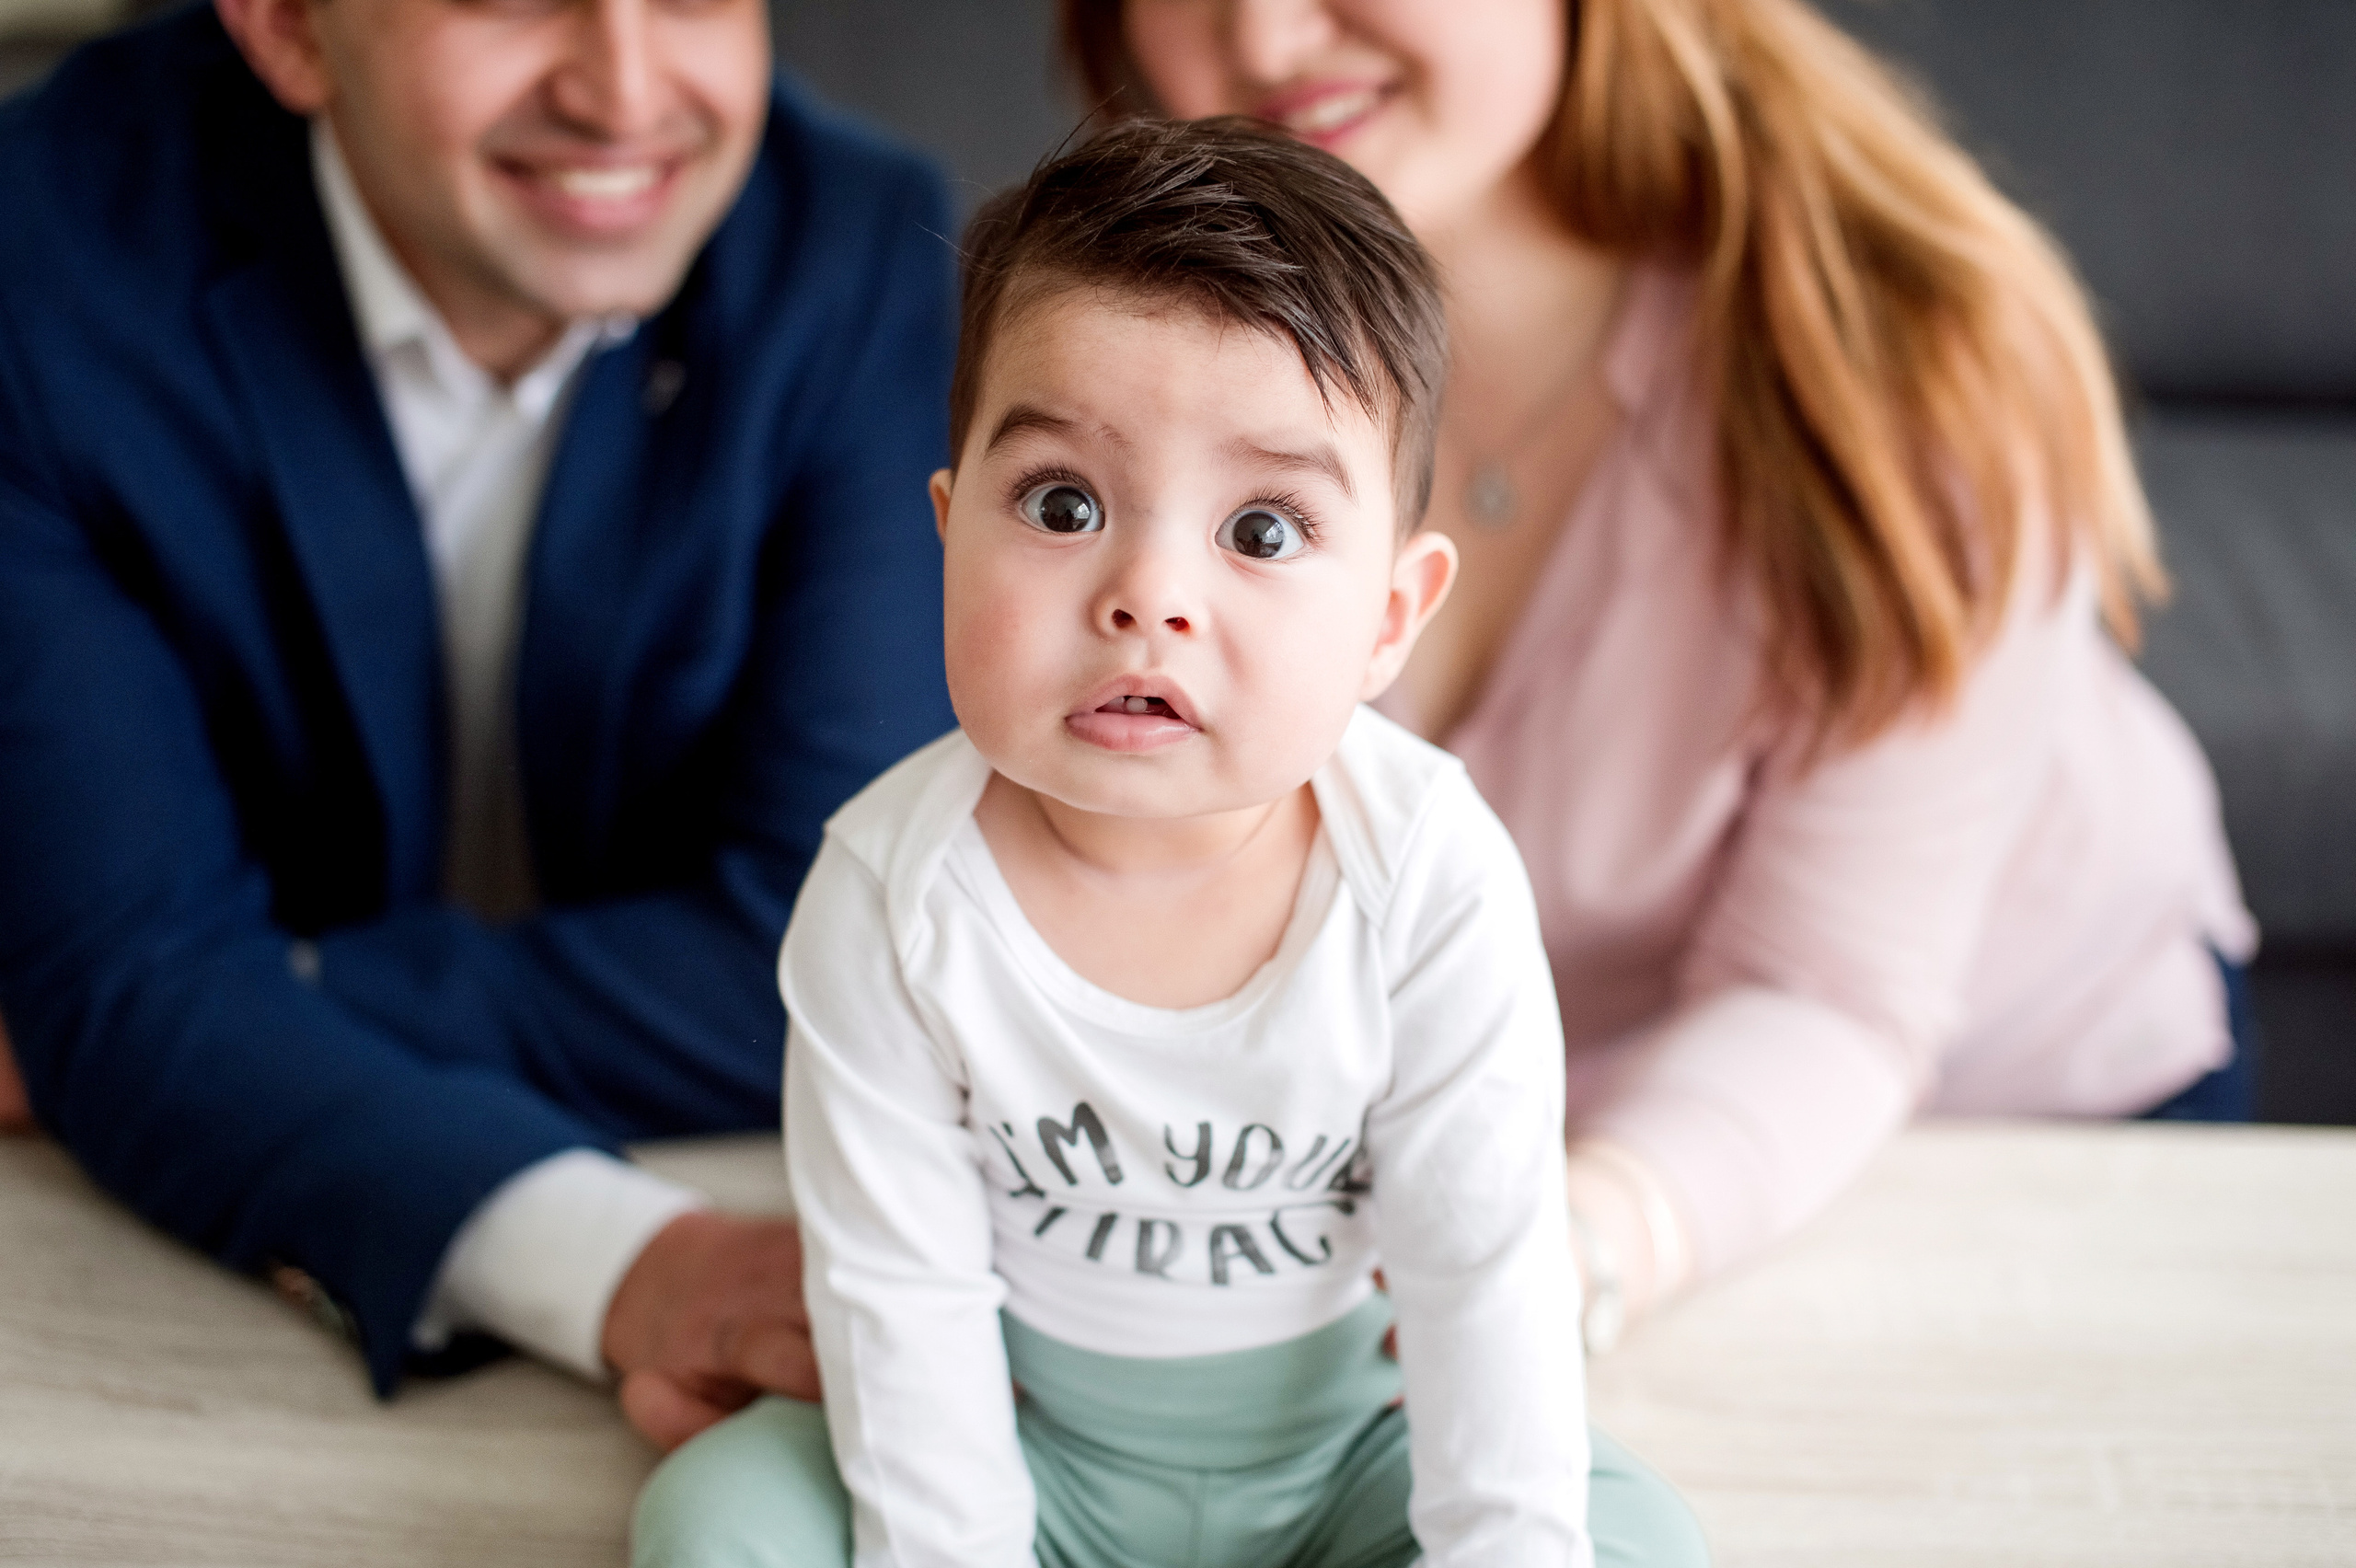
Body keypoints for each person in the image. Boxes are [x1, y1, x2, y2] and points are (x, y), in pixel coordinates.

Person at [1066, 0, 2258, 1341]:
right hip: (1528, 1149)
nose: (1270, 39)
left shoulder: (1901, 358)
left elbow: (1821, 994)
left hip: (2019, 1118)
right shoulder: (1133, 380)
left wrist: (1570, 1243)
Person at [631, 118, 1710, 1567]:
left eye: (1262, 530)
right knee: (713, 1518)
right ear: (948, 536)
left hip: (1353, 1450)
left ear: (1392, 613)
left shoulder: (1432, 879)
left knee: (1631, 1536)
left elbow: (1481, 1282)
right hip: (1025, 1435)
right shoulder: (889, 894)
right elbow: (900, 1302)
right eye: (1064, 505)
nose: (1149, 594)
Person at [0, 0, 954, 1441]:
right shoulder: (37, 261)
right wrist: (639, 1263)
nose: (627, 90)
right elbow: (126, 972)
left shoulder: (868, 252)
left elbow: (838, 946)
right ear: (285, 29)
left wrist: (201, 1011)